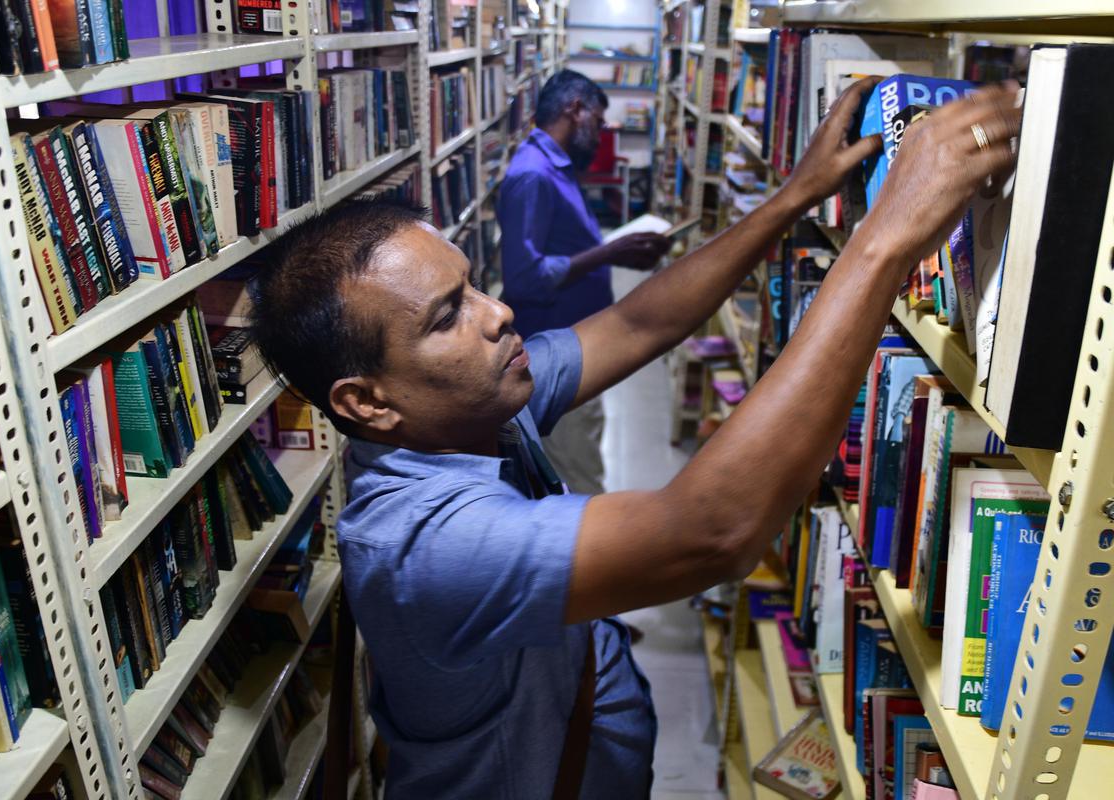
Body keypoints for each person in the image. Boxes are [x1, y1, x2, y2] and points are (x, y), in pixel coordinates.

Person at [250, 78, 1021, 799]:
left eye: (473, 284)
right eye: (448, 315)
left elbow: (637, 321)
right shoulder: (423, 545)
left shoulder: (464, 406)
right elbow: (709, 531)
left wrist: (797, 196)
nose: (498, 313)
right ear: (369, 402)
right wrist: (884, 240)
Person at [498, 70, 671, 494]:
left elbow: (560, 246)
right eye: (597, 120)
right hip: (552, 353)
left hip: (576, 342)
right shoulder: (533, 175)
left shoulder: (556, 166)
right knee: (577, 477)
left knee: (579, 458)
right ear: (575, 110)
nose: (600, 134)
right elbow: (524, 278)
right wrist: (611, 251)